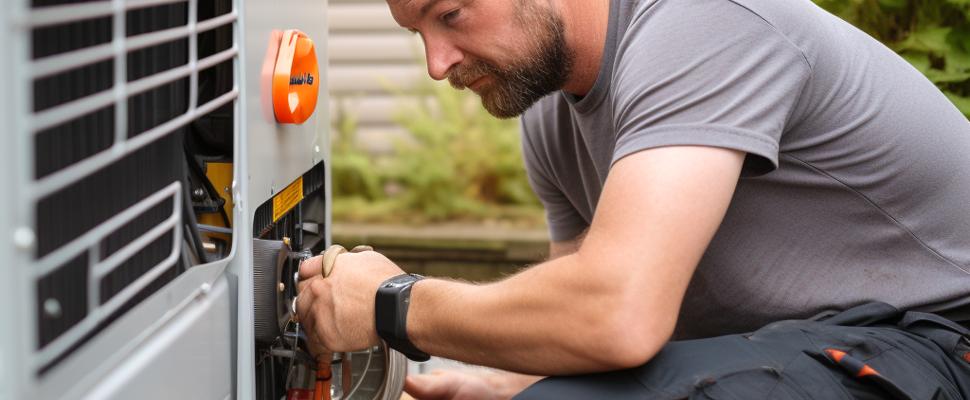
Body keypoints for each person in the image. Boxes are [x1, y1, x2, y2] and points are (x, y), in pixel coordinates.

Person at [296, 0, 970, 398]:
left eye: (449, 14)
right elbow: (578, 325)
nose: (437, 63)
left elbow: (615, 314)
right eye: (417, 33)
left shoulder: (702, 22)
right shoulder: (551, 120)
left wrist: (393, 303)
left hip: (944, 336)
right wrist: (515, 383)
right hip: (824, 342)